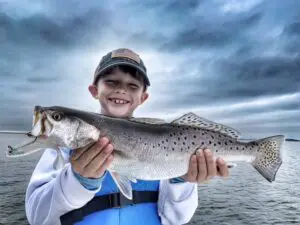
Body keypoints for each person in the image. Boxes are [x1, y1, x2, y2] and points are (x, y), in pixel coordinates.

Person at [25, 48, 229, 225]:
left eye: (133, 85)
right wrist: (77, 181)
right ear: (95, 90)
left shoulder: (170, 146)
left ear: (143, 97)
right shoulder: (60, 150)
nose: (121, 89)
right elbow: (37, 217)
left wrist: (183, 181)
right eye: (111, 81)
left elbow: (177, 219)